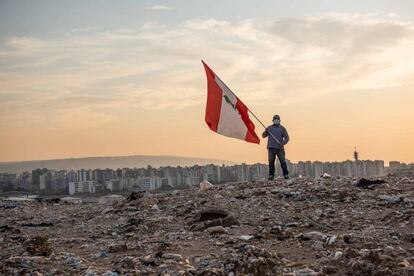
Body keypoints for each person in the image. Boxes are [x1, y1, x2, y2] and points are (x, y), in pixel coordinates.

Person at [262, 115, 290, 180]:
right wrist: (265, 131)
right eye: (275, 119)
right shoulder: (269, 128)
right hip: (271, 148)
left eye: (277, 119)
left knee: (282, 161)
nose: (276, 120)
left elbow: (287, 138)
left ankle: (286, 174)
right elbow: (263, 136)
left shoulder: (282, 129)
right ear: (273, 120)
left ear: (279, 120)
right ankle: (271, 175)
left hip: (280, 148)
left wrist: (282, 143)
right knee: (271, 162)